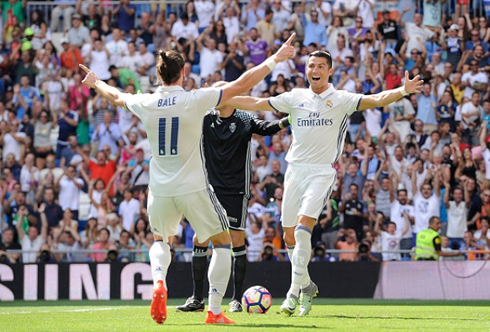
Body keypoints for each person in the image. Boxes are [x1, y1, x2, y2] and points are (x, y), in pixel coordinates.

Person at [78, 34, 295, 325]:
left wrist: (96, 82)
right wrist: (275, 58)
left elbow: (116, 96)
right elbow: (241, 85)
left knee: (161, 240)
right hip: (193, 186)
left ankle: (158, 282)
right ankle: (215, 311)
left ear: (158, 74)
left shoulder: (146, 101)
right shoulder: (196, 99)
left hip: (159, 188)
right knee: (221, 242)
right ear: (184, 73)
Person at [223, 50, 422, 316]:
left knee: (305, 229)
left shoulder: (341, 99)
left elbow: (376, 100)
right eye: (310, 65)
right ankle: (307, 286)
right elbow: (258, 103)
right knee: (289, 235)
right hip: (294, 171)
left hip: (321, 172)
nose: (314, 70)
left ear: (330, 71)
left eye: (319, 66)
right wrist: (221, 98)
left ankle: (292, 293)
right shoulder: (295, 97)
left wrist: (402, 90)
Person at [176, 81, 290, 313]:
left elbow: (267, 128)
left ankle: (236, 298)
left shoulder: (244, 119)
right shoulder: (205, 118)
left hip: (236, 190)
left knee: (236, 240)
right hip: (208, 189)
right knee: (200, 238)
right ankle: (197, 299)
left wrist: (290, 119)